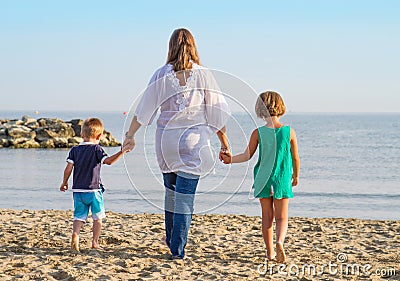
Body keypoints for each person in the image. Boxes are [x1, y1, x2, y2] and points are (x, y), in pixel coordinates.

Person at [123, 28, 230, 259]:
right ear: (193, 46)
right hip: (194, 142)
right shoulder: (203, 73)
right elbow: (216, 111)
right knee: (184, 199)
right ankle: (177, 250)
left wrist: (130, 136)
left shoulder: (161, 74)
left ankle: (173, 243)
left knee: (171, 196)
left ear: (170, 47)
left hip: (166, 142)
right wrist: (224, 142)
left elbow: (144, 109)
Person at [221, 91, 300, 263]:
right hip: (281, 179)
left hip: (263, 179)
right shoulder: (289, 132)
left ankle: (270, 253)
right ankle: (280, 241)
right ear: (281, 107)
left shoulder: (257, 133)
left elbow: (246, 155)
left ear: (260, 109)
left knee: (267, 218)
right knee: (282, 217)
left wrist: (230, 160)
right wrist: (296, 176)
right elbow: (295, 158)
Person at [60, 117, 127, 251]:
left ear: (81, 134)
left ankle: (75, 235)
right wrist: (121, 152)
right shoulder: (97, 149)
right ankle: (95, 242)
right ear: (99, 135)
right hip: (94, 190)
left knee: (79, 216)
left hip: (78, 190)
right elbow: (108, 161)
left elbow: (68, 168)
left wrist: (64, 182)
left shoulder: (74, 150)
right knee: (98, 218)